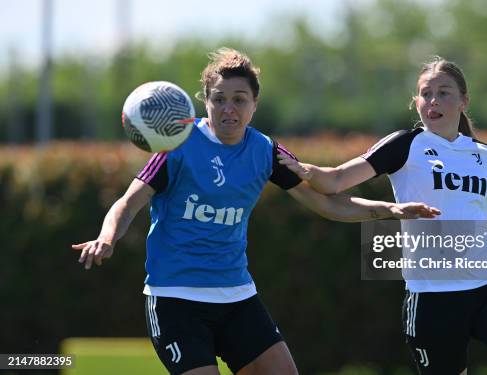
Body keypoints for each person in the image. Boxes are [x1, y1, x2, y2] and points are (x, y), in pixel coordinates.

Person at [71, 47, 440, 375]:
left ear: (255, 104)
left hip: (237, 298)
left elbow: (326, 202)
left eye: (239, 99)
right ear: (205, 102)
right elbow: (128, 201)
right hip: (175, 299)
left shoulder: (265, 151)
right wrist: (107, 238)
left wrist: (389, 209)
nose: (228, 109)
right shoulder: (177, 147)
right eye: (219, 99)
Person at [279, 57, 487, 374]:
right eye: (426, 93)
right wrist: (304, 170)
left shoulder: (484, 154)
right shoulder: (405, 145)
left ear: (464, 101)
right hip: (433, 298)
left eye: (444, 92)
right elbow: (337, 180)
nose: (433, 100)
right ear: (416, 102)